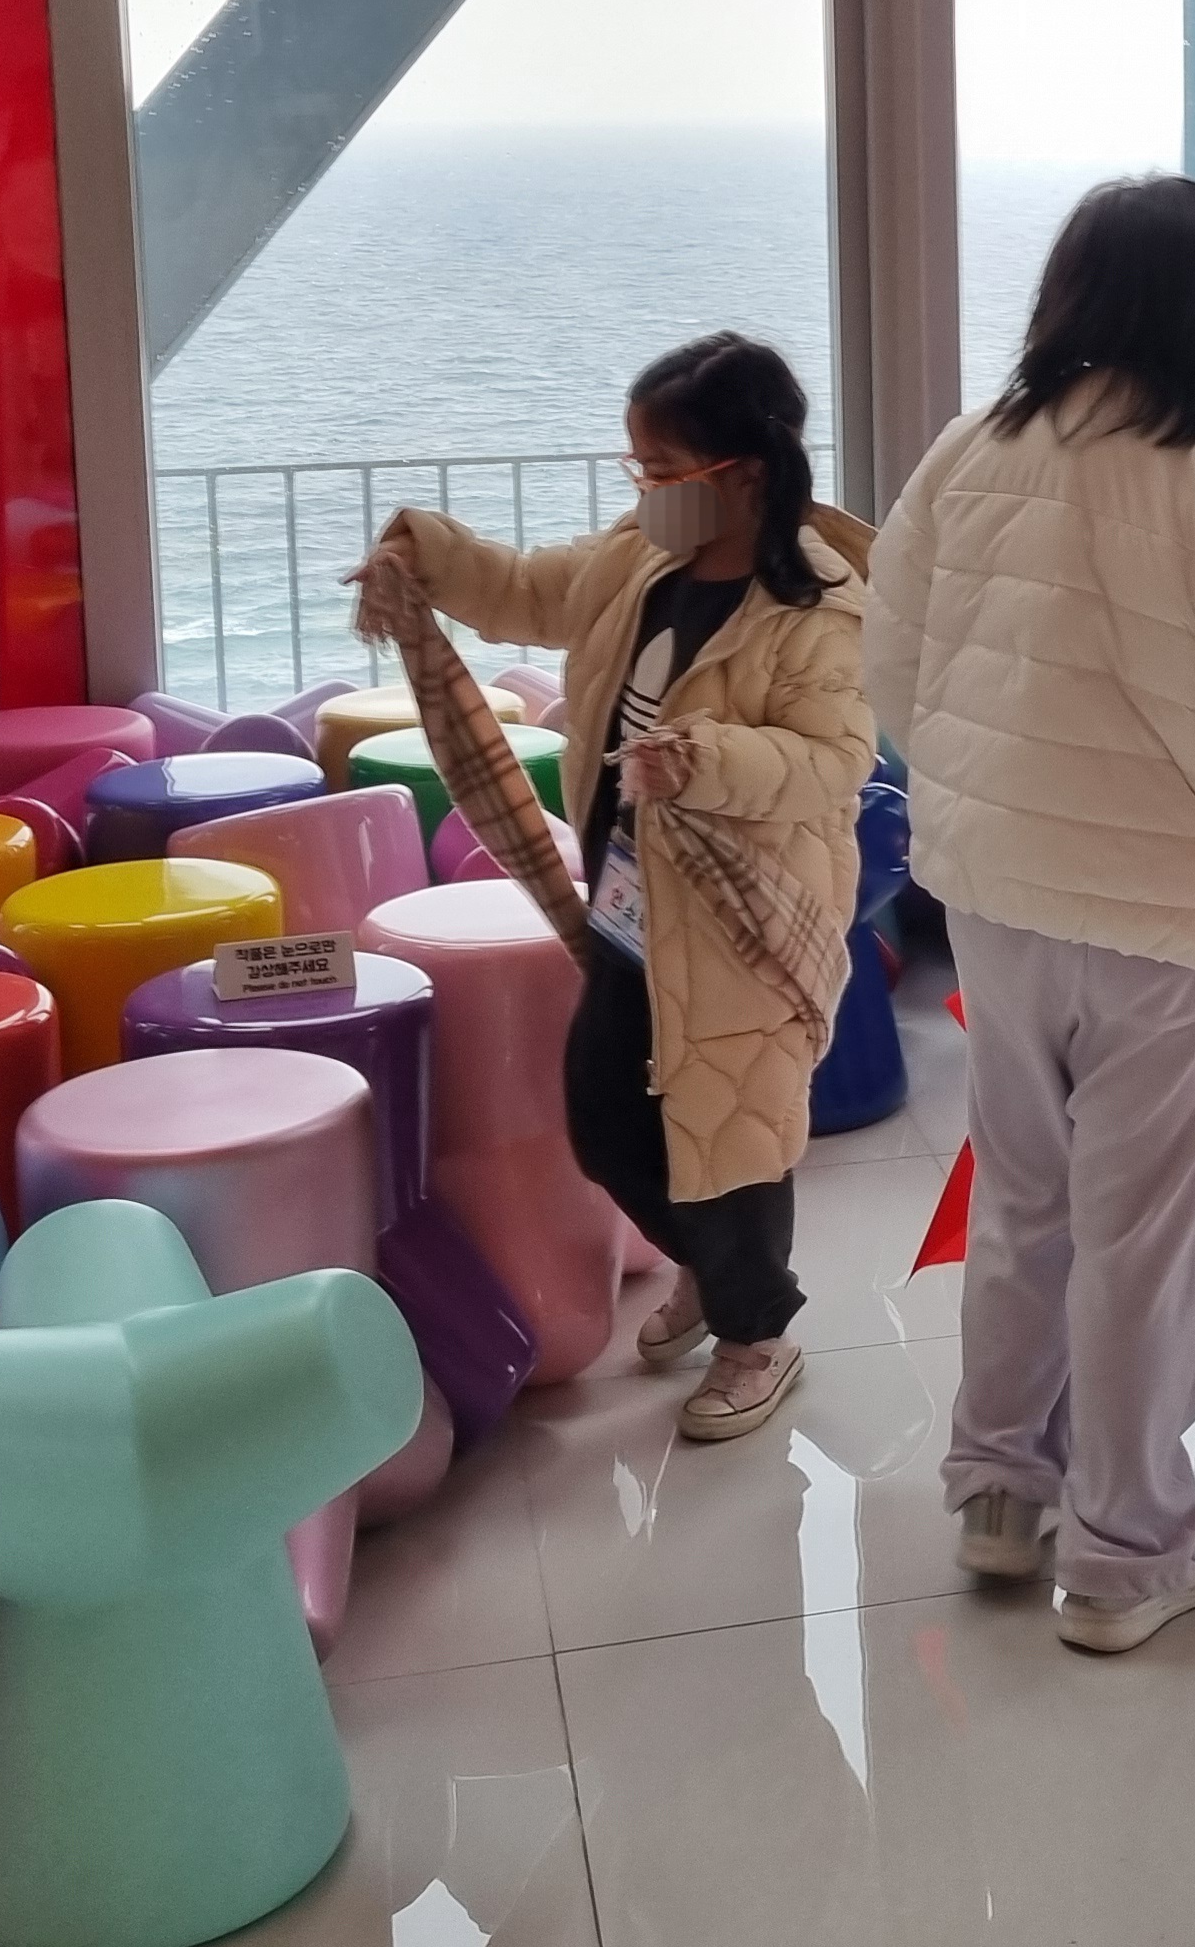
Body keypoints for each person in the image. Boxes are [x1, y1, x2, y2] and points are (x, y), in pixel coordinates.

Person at [865, 176, 1195, 1652]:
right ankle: (1129, 1550)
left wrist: (984, 804)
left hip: (1001, 899)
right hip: (1173, 920)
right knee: (1142, 1230)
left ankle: (999, 1491)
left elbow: (899, 675)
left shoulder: (968, 454)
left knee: (1023, 1194)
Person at [365, 332, 875, 1443]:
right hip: (630, 900)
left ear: (744, 472)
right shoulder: (639, 561)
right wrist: (428, 553)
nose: (645, 489)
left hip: (741, 918)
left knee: (729, 1135)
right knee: (605, 1121)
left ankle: (757, 1335)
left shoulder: (818, 606)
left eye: (664, 469)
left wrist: (707, 758)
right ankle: (713, 1273)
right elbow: (523, 593)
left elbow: (835, 763)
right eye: (637, 466)